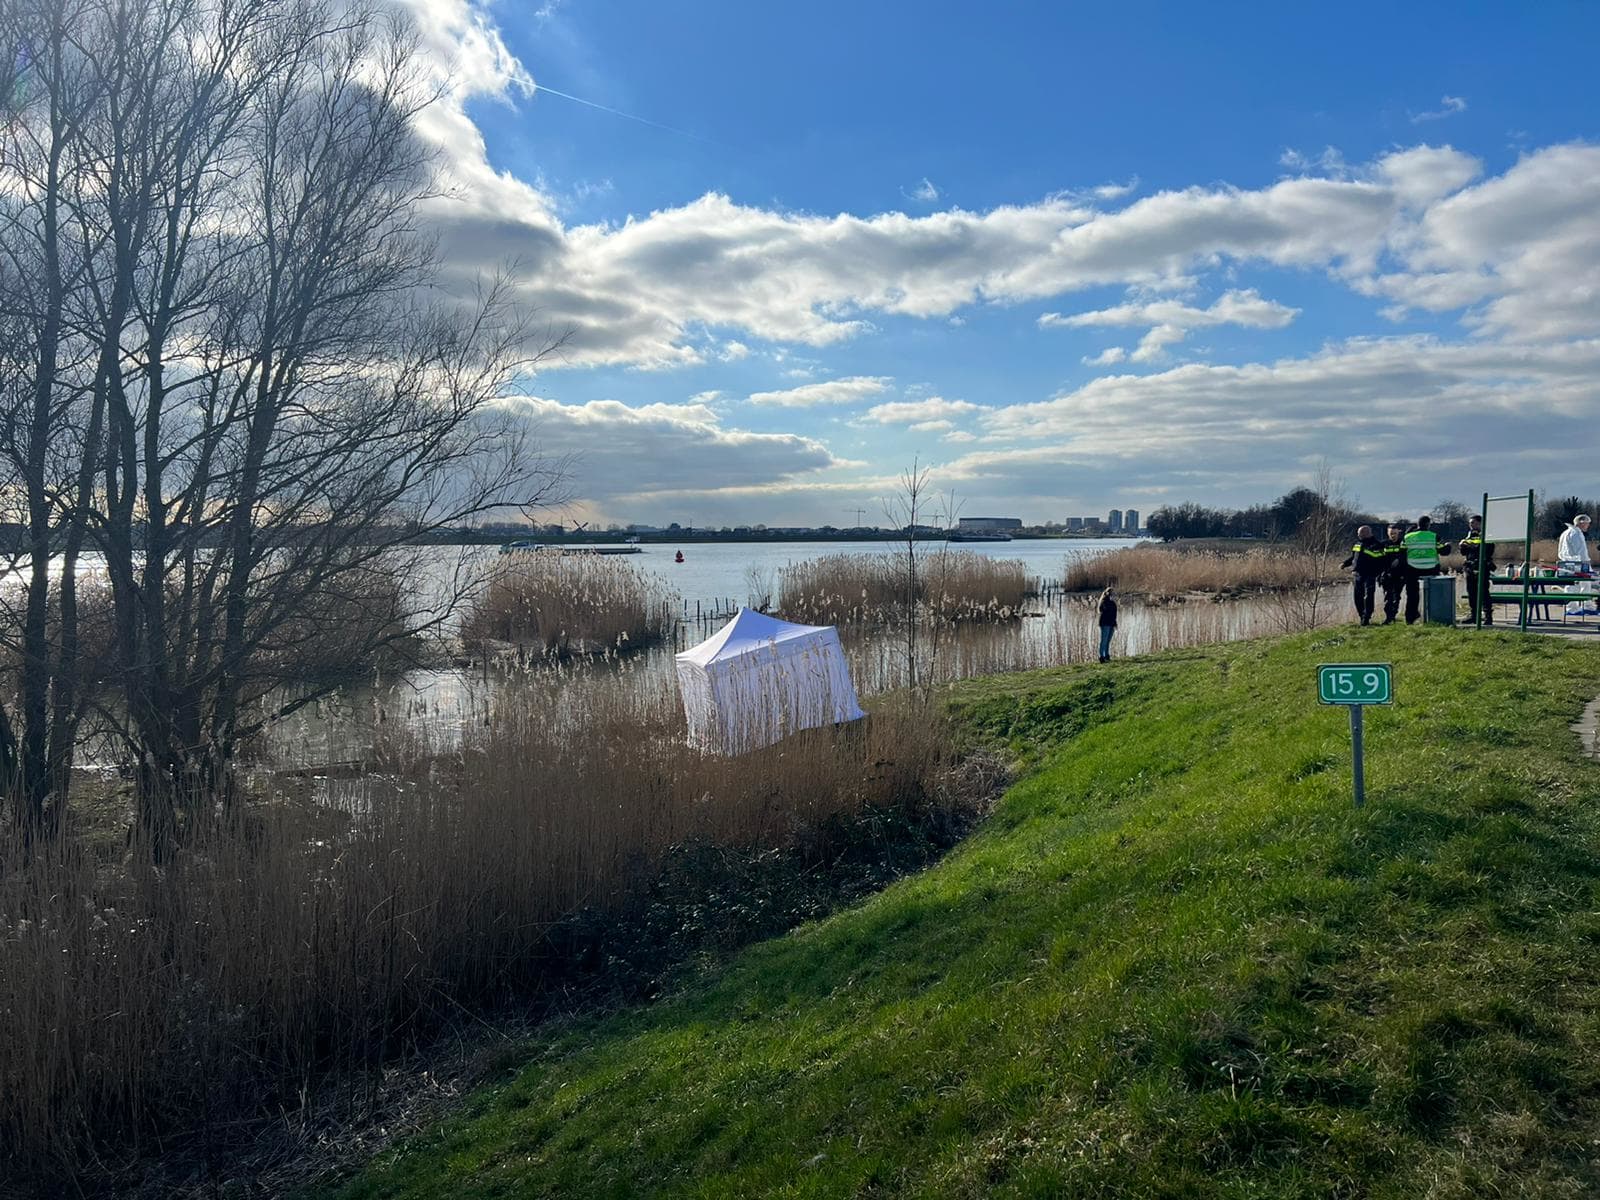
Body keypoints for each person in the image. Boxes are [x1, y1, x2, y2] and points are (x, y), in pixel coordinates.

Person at [1401, 514, 1452, 625]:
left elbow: (1402, 552)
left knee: (1412, 595)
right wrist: (1448, 546)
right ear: (1428, 525)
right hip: (1431, 568)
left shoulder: (1408, 537)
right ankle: (1433, 617)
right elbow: (1443, 552)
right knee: (1433, 594)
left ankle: (1410, 618)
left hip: (1412, 568)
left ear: (1417, 524)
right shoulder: (1434, 536)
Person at [1340, 524, 1389, 625]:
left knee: (1368, 596)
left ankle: (1366, 617)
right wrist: (1345, 564)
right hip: (1357, 574)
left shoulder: (1376, 545)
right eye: (1358, 533)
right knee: (1357, 597)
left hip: (1370, 575)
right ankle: (1361, 615)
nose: (1358, 535)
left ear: (1367, 533)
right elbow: (1353, 557)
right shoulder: (1357, 544)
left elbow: (1382, 561)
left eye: (1360, 533)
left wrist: (1379, 573)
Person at [1457, 513, 1495, 625]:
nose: (1471, 525)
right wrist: (1462, 546)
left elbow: (1488, 550)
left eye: (1473, 523)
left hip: (1482, 566)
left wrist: (1472, 547)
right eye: (1470, 523)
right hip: (1470, 566)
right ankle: (1474, 616)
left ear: (1480, 523)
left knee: (1483, 592)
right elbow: (1464, 552)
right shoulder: (1469, 536)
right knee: (1471, 593)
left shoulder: (1487, 535)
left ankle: (1488, 617)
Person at [1378, 521, 1407, 624]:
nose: (1393, 535)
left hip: (1400, 575)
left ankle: (1393, 615)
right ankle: (1388, 617)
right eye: (1391, 534)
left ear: (1398, 533)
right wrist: (1379, 575)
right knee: (1387, 597)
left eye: (1395, 533)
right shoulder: (1383, 544)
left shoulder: (1403, 544)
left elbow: (1406, 558)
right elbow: (1379, 560)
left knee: (1396, 597)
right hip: (1387, 575)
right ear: (1388, 533)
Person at [1097, 585, 1117, 662]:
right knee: (1104, 640)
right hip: (1105, 623)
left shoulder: (1113, 603)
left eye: (1113, 593)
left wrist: (1115, 623)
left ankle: (1106, 655)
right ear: (1107, 593)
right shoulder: (1104, 601)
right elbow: (1103, 610)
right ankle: (1101, 656)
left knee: (1108, 641)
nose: (1112, 594)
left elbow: (1114, 614)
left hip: (1111, 623)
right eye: (1111, 593)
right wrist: (1108, 599)